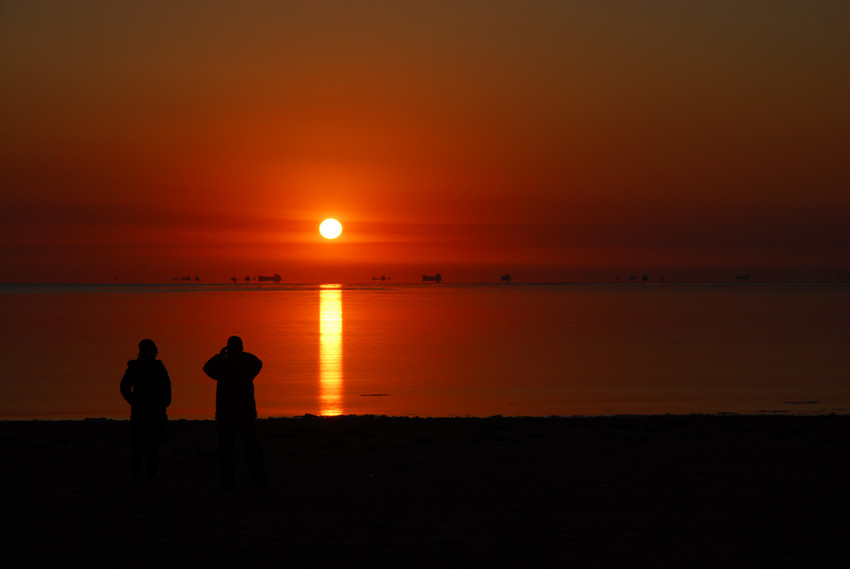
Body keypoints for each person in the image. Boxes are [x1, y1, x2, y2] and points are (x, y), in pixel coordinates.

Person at [203, 335, 266, 490]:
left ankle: (230, 483)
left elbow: (207, 367)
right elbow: (258, 363)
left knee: (230, 451)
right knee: (249, 449)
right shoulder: (245, 365)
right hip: (240, 413)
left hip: (231, 414)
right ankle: (258, 482)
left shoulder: (223, 366)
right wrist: (239, 354)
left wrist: (221, 355)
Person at [120, 339, 171, 478]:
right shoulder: (135, 367)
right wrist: (133, 401)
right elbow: (124, 386)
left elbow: (167, 385)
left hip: (156, 409)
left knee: (153, 444)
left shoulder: (158, 367)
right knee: (139, 444)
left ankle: (151, 471)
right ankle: (136, 472)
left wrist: (165, 401)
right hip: (141, 410)